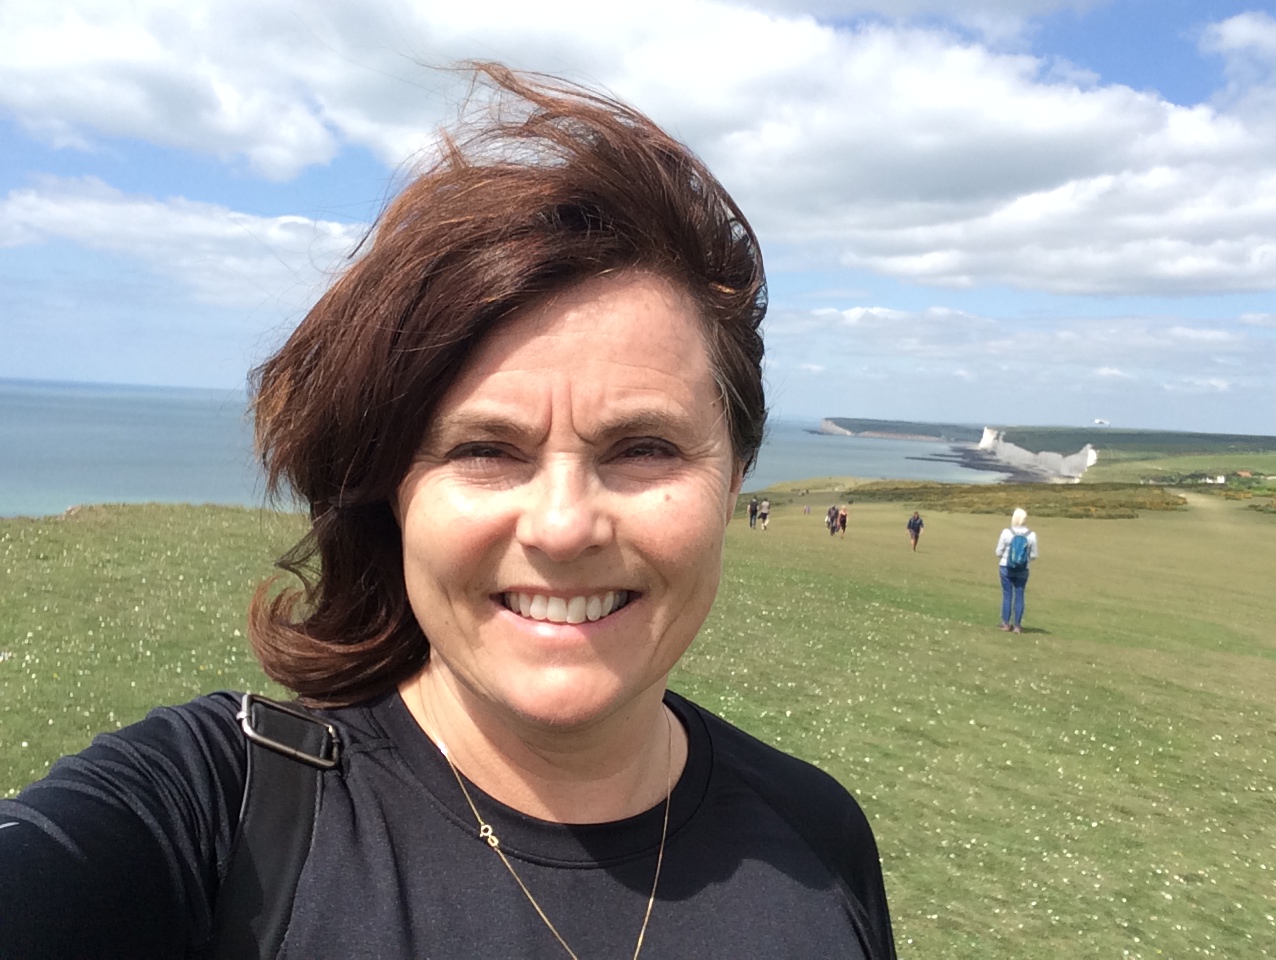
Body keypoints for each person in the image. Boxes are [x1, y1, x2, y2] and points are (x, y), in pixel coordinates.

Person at [0, 65, 896, 960]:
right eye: (485, 450)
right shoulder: (220, 817)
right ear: (392, 489)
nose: (561, 527)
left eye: (644, 447)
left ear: (734, 481)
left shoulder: (819, 840)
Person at [995, 507, 1039, 633]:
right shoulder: (1031, 535)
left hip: (1006, 567)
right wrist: (1024, 559)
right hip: (1023, 569)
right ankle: (1017, 626)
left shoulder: (1006, 533)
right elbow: (1034, 555)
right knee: (1019, 594)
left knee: (1007, 594)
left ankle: (1005, 623)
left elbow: (998, 552)